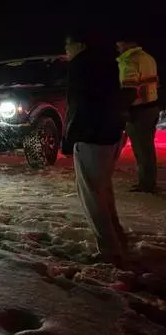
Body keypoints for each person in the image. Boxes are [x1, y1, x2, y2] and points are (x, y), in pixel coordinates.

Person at [63, 31, 129, 267]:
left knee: (92, 195)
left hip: (91, 137)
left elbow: (76, 105)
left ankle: (109, 251)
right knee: (103, 190)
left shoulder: (80, 65)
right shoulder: (109, 62)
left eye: (67, 45)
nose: (66, 50)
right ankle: (118, 238)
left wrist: (68, 138)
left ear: (79, 44)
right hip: (111, 134)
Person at [116, 37, 160, 193]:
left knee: (141, 149)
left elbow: (129, 90)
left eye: (120, 43)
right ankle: (148, 181)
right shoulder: (148, 58)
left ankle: (146, 184)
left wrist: (122, 109)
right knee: (147, 148)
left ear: (128, 43)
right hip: (151, 107)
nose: (117, 46)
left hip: (138, 110)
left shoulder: (129, 61)